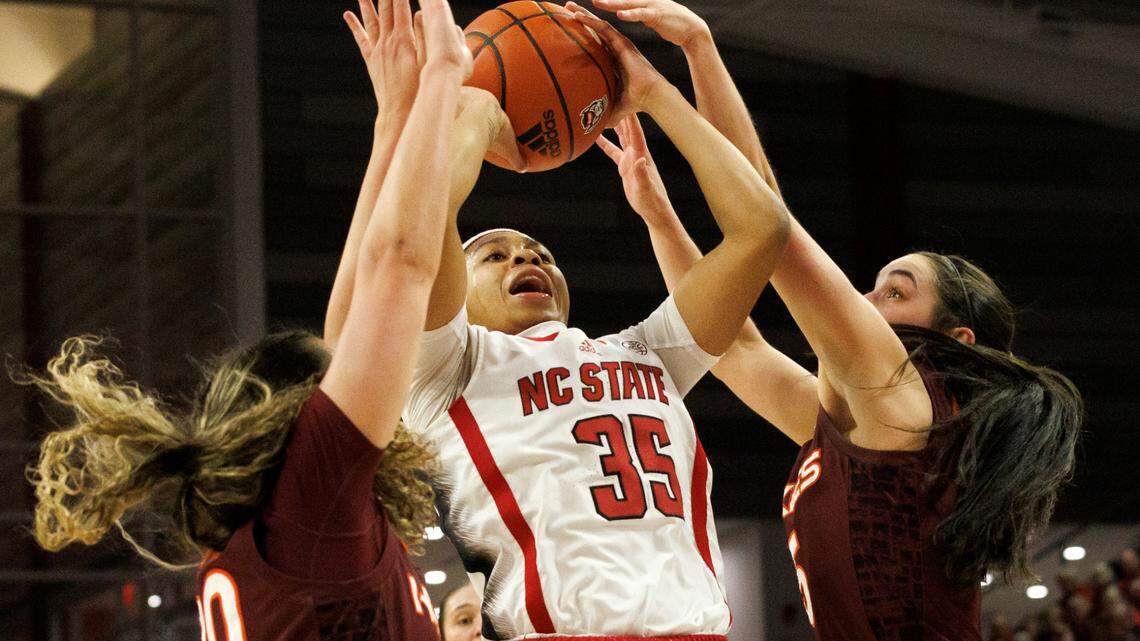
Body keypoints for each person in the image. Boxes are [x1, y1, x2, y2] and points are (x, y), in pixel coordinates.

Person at [584, 0, 1083, 639]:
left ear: (955, 340)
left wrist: (673, 79)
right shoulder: (862, 430)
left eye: (896, 294)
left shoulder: (907, 401)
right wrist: (658, 214)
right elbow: (733, 345)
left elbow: (770, 224)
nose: (866, 302)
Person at [22, 1, 521, 639]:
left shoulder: (282, 520)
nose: (360, 371)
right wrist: (442, 79)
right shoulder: (311, 501)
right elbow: (396, 267)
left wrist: (394, 119)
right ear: (300, 418)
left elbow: (354, 324)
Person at [366, 9, 791, 641]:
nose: (527, 257)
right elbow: (422, 229)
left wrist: (655, 94)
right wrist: (478, 112)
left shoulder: (647, 352)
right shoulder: (445, 367)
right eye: (494, 253)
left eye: (540, 252)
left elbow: (763, 229)